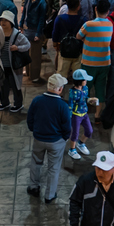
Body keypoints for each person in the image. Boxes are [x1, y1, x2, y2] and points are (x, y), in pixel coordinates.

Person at [26, 73, 72, 202]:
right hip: (56, 141)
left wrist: (34, 131)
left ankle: (34, 187)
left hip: (39, 139)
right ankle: (50, 195)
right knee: (53, 168)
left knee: (36, 163)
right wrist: (64, 138)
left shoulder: (37, 100)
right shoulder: (62, 106)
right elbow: (67, 127)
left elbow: (30, 119)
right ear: (59, 89)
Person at [76, 0, 113, 119]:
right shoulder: (110, 24)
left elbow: (78, 36)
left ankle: (83, 112)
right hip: (104, 62)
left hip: (88, 62)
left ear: (95, 9)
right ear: (108, 11)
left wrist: (87, 40)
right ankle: (97, 115)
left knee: (84, 88)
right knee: (100, 89)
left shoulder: (89, 24)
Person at [0, 10, 30, 113]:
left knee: (16, 85)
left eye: (6, 20)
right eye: (2, 20)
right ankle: (5, 102)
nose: (3, 22)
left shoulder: (17, 34)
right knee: (3, 85)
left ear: (11, 22)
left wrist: (17, 48)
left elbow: (27, 45)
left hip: (14, 66)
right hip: (3, 65)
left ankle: (18, 104)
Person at [51, 0, 86, 82]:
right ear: (78, 7)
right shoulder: (83, 20)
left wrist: (55, 45)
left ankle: (59, 93)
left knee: (61, 76)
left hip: (64, 50)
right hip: (78, 51)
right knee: (78, 77)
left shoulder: (59, 19)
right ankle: (77, 93)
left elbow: (55, 33)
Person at [21, 0, 49, 84]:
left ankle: (35, 75)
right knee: (27, 52)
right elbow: (24, 13)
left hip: (36, 30)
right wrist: (21, 24)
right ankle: (28, 71)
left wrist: (38, 33)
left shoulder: (42, 3)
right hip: (27, 28)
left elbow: (42, 20)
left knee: (35, 55)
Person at [67, 69, 94, 160]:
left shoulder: (85, 88)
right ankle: (72, 149)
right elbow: (70, 105)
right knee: (75, 133)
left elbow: (85, 98)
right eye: (84, 80)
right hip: (76, 115)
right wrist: (69, 117)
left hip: (84, 114)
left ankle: (81, 143)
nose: (86, 81)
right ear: (79, 81)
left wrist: (90, 100)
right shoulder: (73, 92)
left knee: (89, 130)